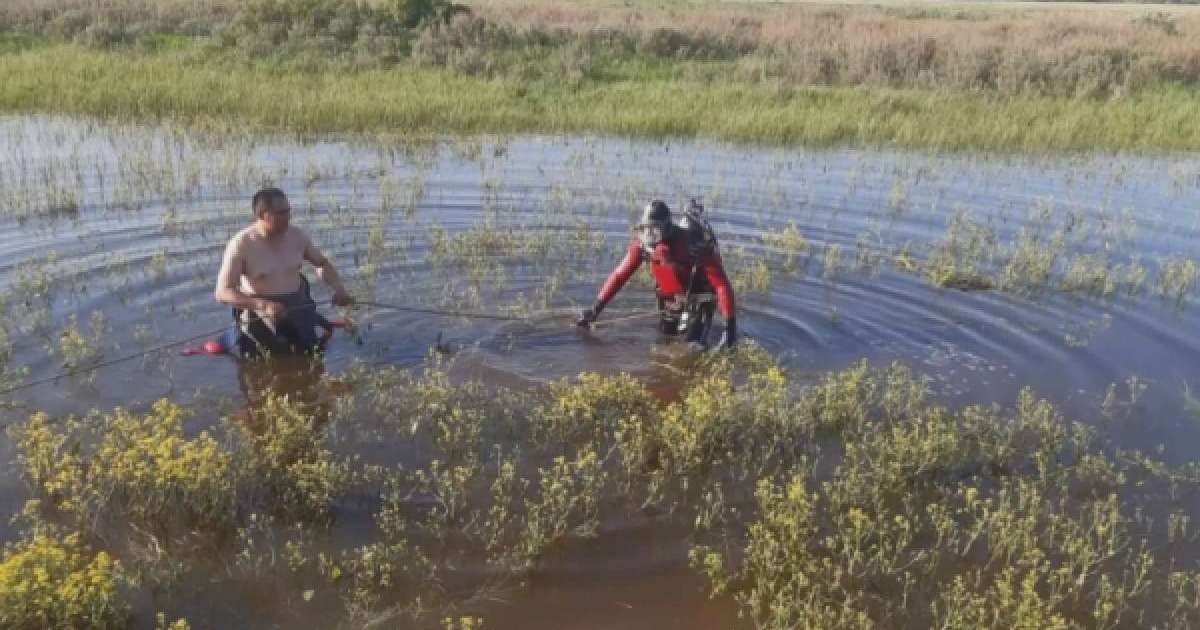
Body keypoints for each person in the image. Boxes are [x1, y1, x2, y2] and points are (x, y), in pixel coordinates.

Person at [577, 199, 737, 349]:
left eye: (655, 230)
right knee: (666, 338)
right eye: (646, 229)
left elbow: (721, 285)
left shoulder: (695, 245)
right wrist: (595, 309)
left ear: (667, 228)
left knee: (694, 346)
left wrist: (730, 327)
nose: (650, 235)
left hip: (700, 295)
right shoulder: (643, 247)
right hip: (670, 297)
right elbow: (619, 276)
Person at [215, 187, 353, 358]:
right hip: (260, 312)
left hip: (298, 305)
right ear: (263, 215)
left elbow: (322, 264)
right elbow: (222, 292)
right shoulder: (241, 244)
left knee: (311, 357)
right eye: (281, 213)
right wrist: (262, 305)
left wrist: (338, 288)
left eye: (288, 211)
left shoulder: (297, 236)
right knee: (259, 362)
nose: (288, 217)